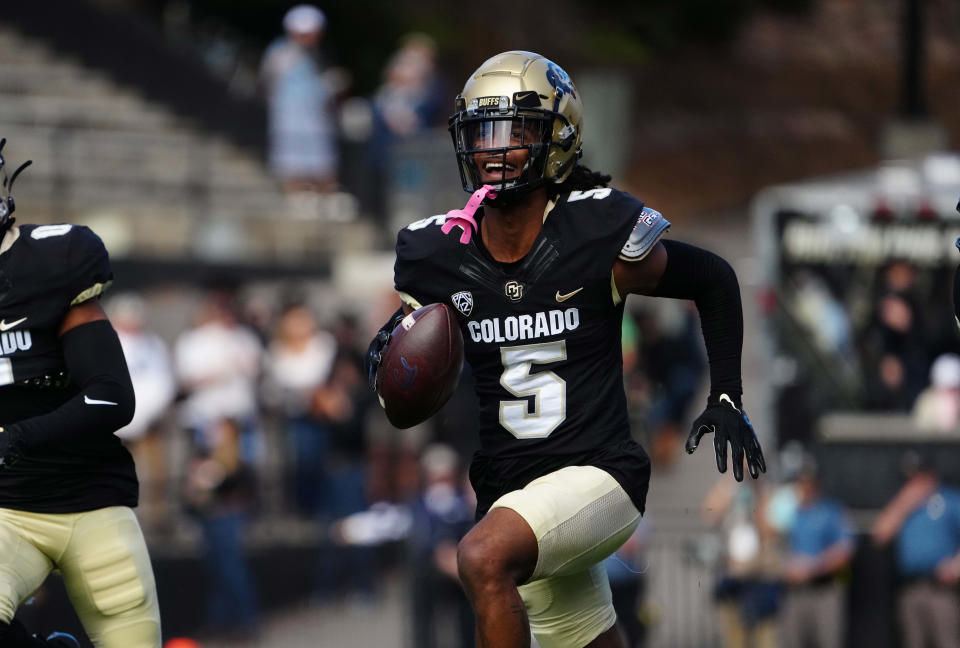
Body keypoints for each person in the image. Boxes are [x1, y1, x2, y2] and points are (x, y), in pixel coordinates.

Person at [367, 51, 766, 648]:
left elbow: (711, 276)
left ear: (557, 140)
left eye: (515, 131)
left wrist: (728, 393)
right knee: (581, 636)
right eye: (482, 133)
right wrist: (388, 362)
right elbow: (393, 347)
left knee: (480, 558)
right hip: (511, 492)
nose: (494, 150)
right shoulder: (438, 253)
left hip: (598, 476)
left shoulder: (595, 231)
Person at [0, 138, 161, 647]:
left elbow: (113, 396)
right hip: (7, 510)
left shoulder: (54, 260)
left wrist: (17, 435)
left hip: (91, 503)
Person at [872, 453, 960, 648]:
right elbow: (880, 535)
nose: (913, 482)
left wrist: (955, 567)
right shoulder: (903, 503)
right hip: (910, 588)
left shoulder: (949, 500)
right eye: (909, 478)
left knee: (947, 641)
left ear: (930, 475)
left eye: (918, 476)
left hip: (941, 588)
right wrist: (905, 503)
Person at [259, 4, 338, 193]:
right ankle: (296, 193)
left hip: (317, 119)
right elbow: (268, 82)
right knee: (291, 161)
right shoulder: (280, 53)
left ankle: (322, 194)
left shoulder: (320, 54)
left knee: (320, 159)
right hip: (289, 119)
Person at [776, 457, 854, 648]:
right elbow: (772, 541)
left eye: (809, 482)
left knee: (828, 641)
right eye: (801, 482)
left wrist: (813, 566)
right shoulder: (789, 511)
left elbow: (845, 550)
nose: (805, 487)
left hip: (824, 589)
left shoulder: (830, 510)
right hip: (794, 591)